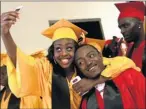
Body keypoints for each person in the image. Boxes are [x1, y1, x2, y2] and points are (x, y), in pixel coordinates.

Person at [1, 10, 139, 109]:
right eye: (58, 49)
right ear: (53, 53)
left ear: (76, 49)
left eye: (69, 48)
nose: (64, 53)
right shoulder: (44, 69)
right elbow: (19, 62)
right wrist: (6, 34)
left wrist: (96, 80)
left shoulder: (86, 67)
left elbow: (124, 63)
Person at [75, 44, 145, 109]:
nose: (88, 62)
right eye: (81, 63)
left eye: (91, 56)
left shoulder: (129, 76)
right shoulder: (86, 100)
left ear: (100, 55)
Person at [102, 1, 146, 76]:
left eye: (126, 26)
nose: (122, 31)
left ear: (139, 24)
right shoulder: (130, 48)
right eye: (120, 27)